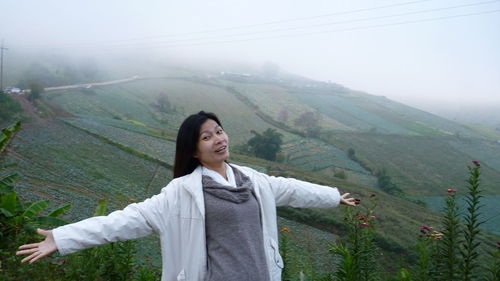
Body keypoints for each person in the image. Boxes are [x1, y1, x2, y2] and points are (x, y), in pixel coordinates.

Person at [17, 111, 357, 281]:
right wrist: (62, 238)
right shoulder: (181, 193)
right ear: (193, 151)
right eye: (207, 137)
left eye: (219, 131)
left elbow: (292, 188)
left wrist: (332, 196)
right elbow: (124, 220)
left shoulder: (253, 180)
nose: (219, 139)